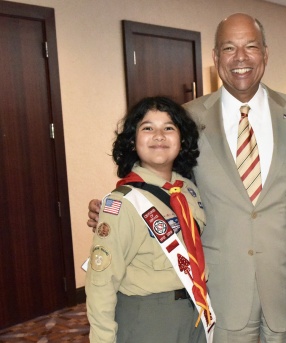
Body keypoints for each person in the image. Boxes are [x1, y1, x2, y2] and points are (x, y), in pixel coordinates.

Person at [88, 13, 286, 342]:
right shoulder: (185, 119)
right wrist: (126, 207)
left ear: (265, 54)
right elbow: (164, 182)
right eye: (229, 48)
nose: (240, 58)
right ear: (216, 58)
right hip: (221, 288)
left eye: (251, 47)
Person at [85, 96, 214, 343]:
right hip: (148, 317)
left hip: (195, 311)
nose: (159, 135)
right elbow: (101, 283)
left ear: (182, 139)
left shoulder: (188, 189)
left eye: (169, 128)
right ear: (133, 141)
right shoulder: (121, 202)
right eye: (147, 128)